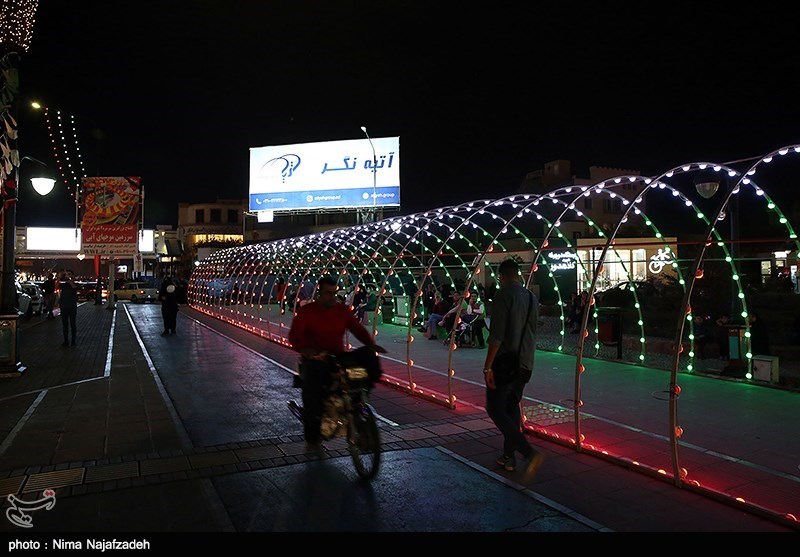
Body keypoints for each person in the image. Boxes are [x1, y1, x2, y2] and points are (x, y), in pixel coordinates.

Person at [288, 275, 386, 447]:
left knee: (367, 361)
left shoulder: (341, 310)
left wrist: (371, 345)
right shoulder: (308, 312)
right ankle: (313, 424)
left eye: (334, 293)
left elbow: (357, 329)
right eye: (327, 293)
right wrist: (306, 350)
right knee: (312, 387)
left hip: (337, 357)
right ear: (319, 292)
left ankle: (360, 403)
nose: (331, 297)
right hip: (315, 358)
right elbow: (294, 336)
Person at [482, 258, 544, 480]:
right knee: (511, 405)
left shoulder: (503, 295)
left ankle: (528, 452)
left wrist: (487, 366)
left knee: (495, 408)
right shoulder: (531, 297)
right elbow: (533, 331)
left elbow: (497, 336)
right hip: (526, 362)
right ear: (517, 274)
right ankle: (509, 456)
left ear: (502, 276)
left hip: (505, 363)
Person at [58, 270, 78, 347]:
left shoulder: (74, 283)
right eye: (66, 274)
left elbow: (74, 288)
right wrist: (60, 278)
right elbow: (56, 287)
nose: (67, 276)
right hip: (64, 307)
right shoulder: (63, 284)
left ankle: (73, 341)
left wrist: (69, 280)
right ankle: (66, 341)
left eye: (69, 274)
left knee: (73, 324)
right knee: (65, 325)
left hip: (72, 307)